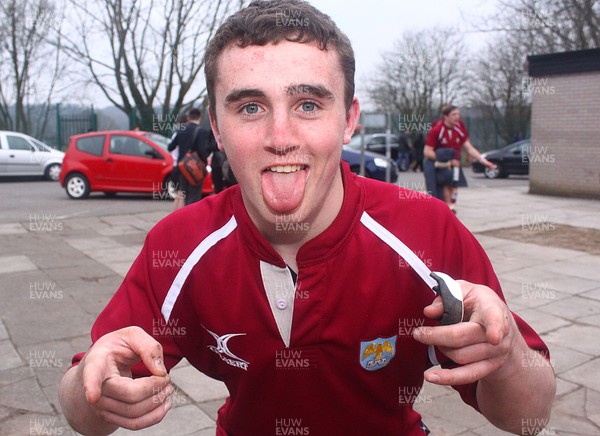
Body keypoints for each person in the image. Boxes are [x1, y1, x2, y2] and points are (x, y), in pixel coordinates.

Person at [58, 1, 555, 435]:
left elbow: (527, 417)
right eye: (250, 106)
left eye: (309, 104)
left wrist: (506, 352)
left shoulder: (426, 230)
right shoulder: (180, 243)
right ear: (216, 125)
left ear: (350, 119)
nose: (281, 136)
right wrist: (93, 386)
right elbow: (83, 414)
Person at [424, 105, 495, 212]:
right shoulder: (437, 130)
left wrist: (484, 161)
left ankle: (452, 207)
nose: (457, 117)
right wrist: (446, 161)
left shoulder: (460, 127)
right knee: (444, 190)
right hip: (439, 165)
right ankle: (445, 209)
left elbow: (469, 148)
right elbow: (427, 152)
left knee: (454, 190)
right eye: (454, 114)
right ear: (446, 117)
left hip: (455, 165)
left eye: (458, 114)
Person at [167, 108, 211, 207]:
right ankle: (192, 218)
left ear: (188, 117)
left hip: (182, 167)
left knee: (183, 194)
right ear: (200, 117)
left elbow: (171, 147)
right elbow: (203, 151)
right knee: (194, 195)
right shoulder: (202, 131)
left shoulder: (181, 130)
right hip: (194, 168)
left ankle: (182, 218)